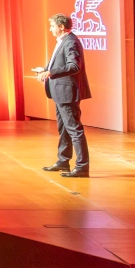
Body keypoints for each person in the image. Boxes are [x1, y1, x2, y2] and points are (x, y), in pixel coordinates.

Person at [35, 13, 91, 178]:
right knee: (64, 129)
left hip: (67, 92)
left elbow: (74, 66)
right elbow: (57, 64)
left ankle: (82, 166)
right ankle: (63, 160)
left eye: (52, 26)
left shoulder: (71, 41)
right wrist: (45, 71)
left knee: (74, 129)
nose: (51, 30)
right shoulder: (63, 42)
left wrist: (51, 73)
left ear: (61, 26)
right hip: (60, 92)